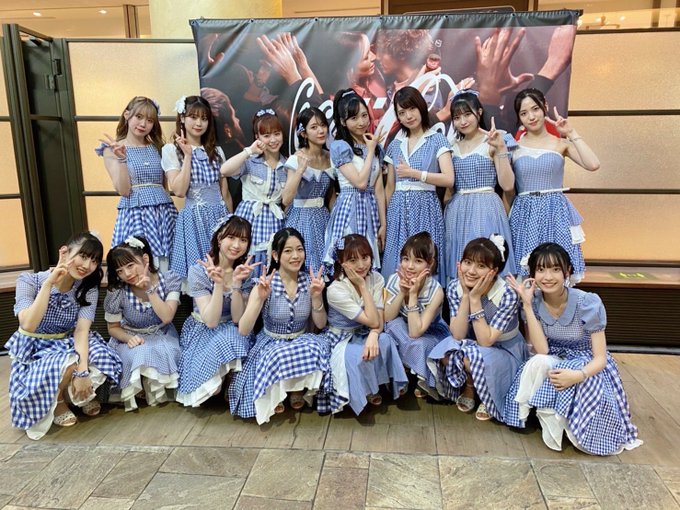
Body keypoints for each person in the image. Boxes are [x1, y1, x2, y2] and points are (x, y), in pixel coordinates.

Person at [504, 243, 642, 455]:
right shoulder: (535, 302)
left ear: (567, 271)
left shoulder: (587, 302)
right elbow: (543, 350)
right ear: (532, 274)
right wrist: (528, 306)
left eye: (555, 269)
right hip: (557, 356)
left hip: (588, 365)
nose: (547, 277)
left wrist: (578, 375)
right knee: (537, 362)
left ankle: (575, 429)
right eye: (541, 269)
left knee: (571, 377)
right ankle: (530, 420)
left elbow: (600, 358)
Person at [7, 232, 122, 440]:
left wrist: (83, 373)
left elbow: (81, 331)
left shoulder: (87, 288)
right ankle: (59, 401)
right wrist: (49, 284)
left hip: (68, 339)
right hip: (36, 346)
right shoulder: (29, 281)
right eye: (83, 256)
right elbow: (28, 324)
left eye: (94, 261)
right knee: (68, 363)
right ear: (65, 252)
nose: (87, 266)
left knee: (102, 356)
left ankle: (76, 394)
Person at [228, 228, 329, 424]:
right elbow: (243, 329)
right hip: (272, 342)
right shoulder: (265, 283)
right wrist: (259, 299)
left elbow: (320, 324)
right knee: (276, 355)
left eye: (299, 249)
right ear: (275, 255)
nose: (295, 256)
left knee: (317, 347)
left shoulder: (309, 281)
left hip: (300, 339)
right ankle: (281, 392)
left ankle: (295, 387)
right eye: (288, 251)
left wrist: (317, 297)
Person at [428, 236, 528, 421]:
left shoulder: (507, 293)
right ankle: (470, 386)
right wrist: (466, 295)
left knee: (470, 358)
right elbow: (458, 335)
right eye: (468, 262)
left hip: (503, 349)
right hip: (471, 343)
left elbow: (486, 341)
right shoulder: (455, 287)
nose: (471, 271)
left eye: (481, 266)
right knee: (445, 352)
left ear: (493, 271)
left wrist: (475, 300)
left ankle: (489, 395)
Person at [508, 88, 600, 284]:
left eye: (535, 109)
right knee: (527, 272)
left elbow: (593, 164)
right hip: (525, 214)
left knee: (556, 267)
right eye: (524, 113)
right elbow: (507, 188)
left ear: (545, 107)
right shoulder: (513, 147)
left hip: (556, 211)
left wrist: (571, 133)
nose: (531, 117)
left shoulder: (560, 144)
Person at [318, 234, 408, 415]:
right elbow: (373, 320)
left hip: (366, 331)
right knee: (357, 355)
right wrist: (362, 287)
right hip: (341, 337)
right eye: (353, 260)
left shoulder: (376, 278)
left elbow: (378, 320)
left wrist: (374, 334)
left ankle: (378, 384)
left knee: (385, 340)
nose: (361, 265)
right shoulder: (336, 289)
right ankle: (365, 390)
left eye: (365, 257)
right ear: (342, 262)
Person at [176, 216, 257, 407]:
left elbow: (237, 319)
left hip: (232, 328)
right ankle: (222, 379)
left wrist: (236, 283)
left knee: (232, 335)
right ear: (219, 238)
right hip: (202, 330)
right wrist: (219, 285)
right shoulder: (198, 271)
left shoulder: (245, 271)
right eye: (231, 237)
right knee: (213, 391)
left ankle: (230, 378)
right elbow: (211, 321)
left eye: (243, 240)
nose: (236, 245)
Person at [443, 90, 517, 281]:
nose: (463, 121)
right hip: (457, 211)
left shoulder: (493, 141)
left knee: (486, 259)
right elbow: (449, 188)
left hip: (486, 207)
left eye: (467, 114)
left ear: (479, 112)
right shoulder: (451, 146)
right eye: (457, 117)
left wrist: (500, 148)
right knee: (461, 264)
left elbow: (508, 185)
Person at [96, 96, 177, 269]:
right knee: (138, 261)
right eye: (138, 117)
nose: (143, 124)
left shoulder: (159, 147)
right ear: (127, 115)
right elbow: (123, 190)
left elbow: (165, 186)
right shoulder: (112, 149)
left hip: (163, 213)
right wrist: (122, 159)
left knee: (167, 261)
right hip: (134, 213)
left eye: (149, 120)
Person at [382, 86, 452, 284]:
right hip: (398, 210)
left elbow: (448, 179)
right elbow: (389, 187)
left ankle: (430, 301)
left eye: (412, 109)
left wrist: (415, 174)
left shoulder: (437, 140)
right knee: (397, 261)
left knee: (424, 259)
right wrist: (385, 221)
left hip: (426, 206)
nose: (408, 116)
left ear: (421, 107)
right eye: (402, 112)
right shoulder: (395, 144)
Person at [104, 236, 182, 411]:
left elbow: (167, 317)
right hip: (130, 335)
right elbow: (113, 328)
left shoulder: (170, 280)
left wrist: (149, 290)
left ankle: (152, 387)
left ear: (145, 259)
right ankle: (139, 386)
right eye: (120, 271)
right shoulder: (118, 291)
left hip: (162, 333)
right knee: (140, 351)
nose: (127, 274)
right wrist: (128, 338)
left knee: (165, 350)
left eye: (130, 266)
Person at [162, 95, 232, 281]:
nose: (199, 123)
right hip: (194, 218)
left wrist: (231, 222)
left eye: (204, 118)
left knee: (222, 269)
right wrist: (187, 156)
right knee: (198, 271)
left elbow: (225, 192)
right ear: (182, 118)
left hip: (220, 217)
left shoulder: (217, 151)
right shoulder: (171, 150)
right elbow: (179, 191)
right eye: (193, 117)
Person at [323, 89, 386, 272]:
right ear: (343, 122)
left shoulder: (376, 147)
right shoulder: (340, 146)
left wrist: (384, 223)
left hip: (371, 210)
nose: (361, 122)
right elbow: (360, 183)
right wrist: (370, 150)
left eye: (364, 115)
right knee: (348, 260)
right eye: (354, 118)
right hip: (349, 208)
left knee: (369, 262)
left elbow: (379, 188)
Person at [221, 109, 288, 277]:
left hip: (275, 221)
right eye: (266, 135)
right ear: (257, 137)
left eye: (277, 134)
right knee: (245, 260)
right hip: (249, 218)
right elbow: (224, 170)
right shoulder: (250, 162)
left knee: (271, 262)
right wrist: (249, 151)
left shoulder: (287, 165)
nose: (273, 140)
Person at [382, 232, 448, 398]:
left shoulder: (436, 291)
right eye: (406, 259)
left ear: (430, 263)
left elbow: (415, 332)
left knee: (420, 344)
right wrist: (401, 292)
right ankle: (404, 372)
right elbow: (387, 317)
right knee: (391, 327)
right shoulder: (394, 279)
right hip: (403, 328)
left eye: (418, 261)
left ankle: (423, 376)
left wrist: (412, 295)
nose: (409, 266)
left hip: (429, 332)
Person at [282, 107, 336, 272]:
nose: (321, 131)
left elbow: (331, 196)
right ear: (304, 133)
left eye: (323, 125)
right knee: (305, 266)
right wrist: (300, 170)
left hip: (324, 218)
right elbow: (286, 199)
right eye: (314, 127)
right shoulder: (297, 158)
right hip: (301, 218)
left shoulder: (331, 156)